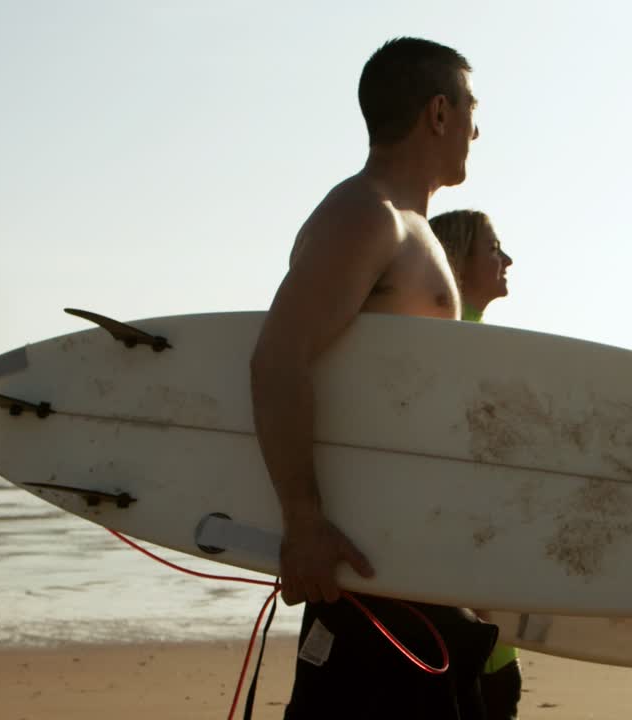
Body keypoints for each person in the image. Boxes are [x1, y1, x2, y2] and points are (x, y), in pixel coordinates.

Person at [249, 38, 497, 719]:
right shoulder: (366, 216)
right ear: (439, 113)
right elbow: (279, 359)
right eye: (472, 109)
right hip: (368, 579)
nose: (478, 130)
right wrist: (303, 521)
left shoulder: (409, 227)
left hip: (411, 568)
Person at [429, 209, 518, 719]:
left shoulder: (482, 349)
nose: (507, 259)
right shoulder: (442, 352)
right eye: (493, 248)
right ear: (457, 263)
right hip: (461, 621)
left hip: (487, 619)